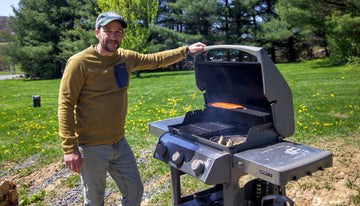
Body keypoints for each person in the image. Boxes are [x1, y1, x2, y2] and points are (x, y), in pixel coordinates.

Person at [58, 11, 206, 206]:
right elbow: (66, 104)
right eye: (108, 31)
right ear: (97, 33)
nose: (113, 36)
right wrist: (69, 148)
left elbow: (156, 60)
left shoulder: (125, 57)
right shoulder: (79, 62)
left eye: (118, 32)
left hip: (119, 143)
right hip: (91, 147)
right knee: (94, 200)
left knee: (135, 190)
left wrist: (185, 50)